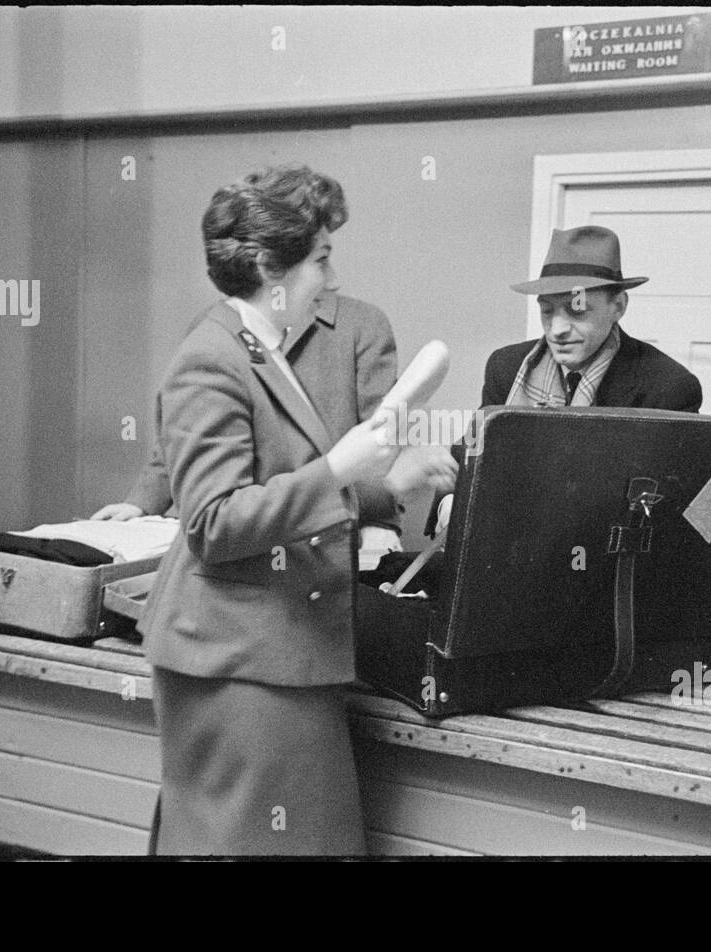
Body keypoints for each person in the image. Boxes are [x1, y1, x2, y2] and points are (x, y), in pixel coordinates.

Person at [139, 165, 455, 855]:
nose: (333, 279)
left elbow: (293, 493)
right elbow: (213, 523)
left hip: (276, 648)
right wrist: (340, 466)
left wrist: (378, 480)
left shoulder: (263, 349)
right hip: (237, 661)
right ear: (265, 267)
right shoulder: (212, 358)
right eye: (321, 259)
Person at [428, 225, 702, 537]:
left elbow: (662, 513)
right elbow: (470, 455)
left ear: (619, 307)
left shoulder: (668, 386)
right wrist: (450, 502)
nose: (557, 329)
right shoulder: (506, 367)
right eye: (547, 311)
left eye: (576, 310)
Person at [91, 290, 406, 553]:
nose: (331, 274)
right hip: (239, 538)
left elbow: (380, 440)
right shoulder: (215, 327)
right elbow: (188, 437)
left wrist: (378, 520)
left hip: (328, 533)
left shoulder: (362, 324)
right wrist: (141, 504)